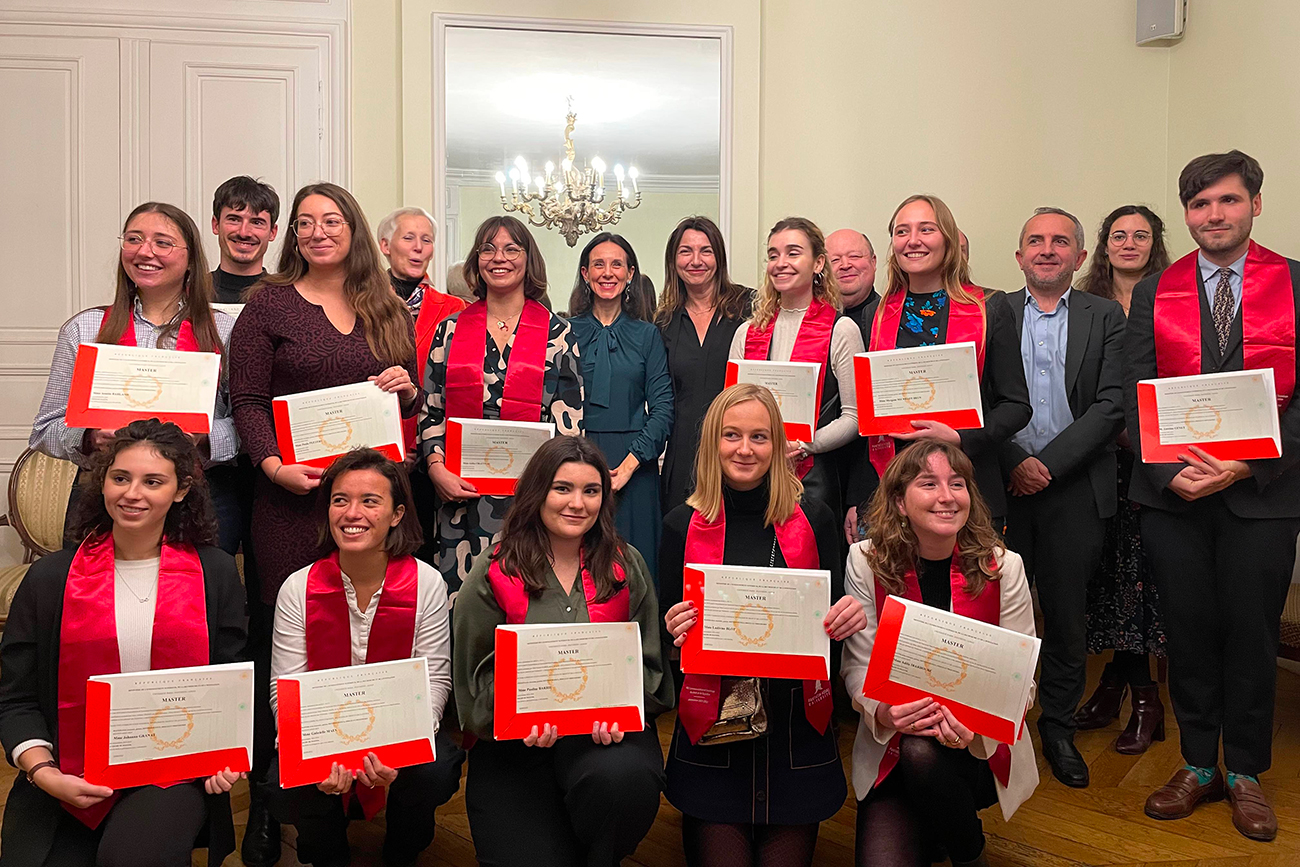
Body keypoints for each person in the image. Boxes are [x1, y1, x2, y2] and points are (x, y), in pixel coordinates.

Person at [228, 182, 420, 861]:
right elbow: (246, 397)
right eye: (305, 223)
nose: (316, 231)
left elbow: (412, 403)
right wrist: (274, 465)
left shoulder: (387, 304)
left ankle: (375, 780)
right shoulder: (269, 304)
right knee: (292, 647)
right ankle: (281, 803)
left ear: (353, 229)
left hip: (372, 503)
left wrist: (407, 390)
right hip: (291, 501)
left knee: (380, 634)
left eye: (330, 219)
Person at [1124, 151, 1300, 842]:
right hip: (1176, 496)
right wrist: (1171, 473)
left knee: (1252, 633)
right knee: (1189, 630)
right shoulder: (1155, 290)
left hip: (1264, 492)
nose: (1214, 215)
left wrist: (1244, 465)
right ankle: (1198, 762)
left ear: (1255, 203)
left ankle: (1247, 769)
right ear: (1188, 214)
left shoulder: (1294, 283)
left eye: (1227, 201)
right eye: (1200, 205)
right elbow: (1136, 391)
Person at [0, 420, 247, 867]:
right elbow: (15, 698)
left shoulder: (216, 573)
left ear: (181, 489)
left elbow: (231, 691)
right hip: (65, 768)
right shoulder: (51, 578)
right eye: (121, 478)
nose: (133, 493)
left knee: (130, 857)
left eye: (153, 481)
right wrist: (43, 772)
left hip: (172, 772)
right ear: (102, 483)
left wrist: (227, 753)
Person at [660, 383, 866, 867]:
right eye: (732, 435)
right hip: (714, 736)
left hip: (796, 734)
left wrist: (847, 616)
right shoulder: (679, 526)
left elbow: (830, 625)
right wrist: (673, 632)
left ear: (779, 445)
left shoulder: (816, 519)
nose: (745, 449)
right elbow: (671, 649)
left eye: (759, 436)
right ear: (713, 443)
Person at [452, 436, 671, 867]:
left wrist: (621, 710)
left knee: (625, 783)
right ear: (537, 492)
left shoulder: (626, 565)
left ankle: (601, 849)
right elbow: (473, 675)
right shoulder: (496, 566)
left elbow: (649, 665)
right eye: (562, 488)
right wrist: (521, 709)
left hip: (605, 740)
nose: (578, 503)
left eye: (591, 491)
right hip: (516, 746)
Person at [842, 439, 1038, 867]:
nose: (947, 497)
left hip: (978, 750)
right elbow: (858, 664)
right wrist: (884, 713)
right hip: (893, 745)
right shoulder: (864, 561)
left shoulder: (1004, 567)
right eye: (928, 484)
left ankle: (969, 852)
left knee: (924, 754)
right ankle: (940, 828)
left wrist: (979, 726)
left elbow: (1022, 681)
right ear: (898, 501)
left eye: (958, 484)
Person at [267, 448, 463, 867]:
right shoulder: (297, 588)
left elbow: (434, 681)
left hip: (398, 727)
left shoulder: (426, 584)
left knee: (436, 767)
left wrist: (401, 748)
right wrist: (315, 753)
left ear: (396, 514)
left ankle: (402, 850)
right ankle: (327, 854)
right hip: (324, 730)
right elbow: (285, 688)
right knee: (284, 783)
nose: (351, 513)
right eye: (340, 500)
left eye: (370, 501)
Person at [995, 208, 1126, 787]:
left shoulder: (1106, 317)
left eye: (1060, 242)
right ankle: (997, 719)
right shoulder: (991, 311)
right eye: (1035, 241)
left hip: (1074, 489)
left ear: (1078, 256)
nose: (1047, 250)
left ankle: (1058, 725)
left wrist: (1043, 466)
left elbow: (1112, 404)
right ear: (1019, 255)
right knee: (996, 612)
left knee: (1068, 618)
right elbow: (971, 398)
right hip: (1000, 487)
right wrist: (1013, 462)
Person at [28, 202, 242, 551]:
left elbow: (248, 424)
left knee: (198, 600)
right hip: (107, 495)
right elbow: (44, 429)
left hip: (202, 494)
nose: (145, 252)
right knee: (99, 600)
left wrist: (202, 436)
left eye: (162, 242)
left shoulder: (225, 330)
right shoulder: (84, 329)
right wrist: (90, 437)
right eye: (134, 239)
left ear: (191, 258)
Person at [418, 216, 584, 597]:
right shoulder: (451, 329)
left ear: (529, 259)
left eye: (512, 249)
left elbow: (570, 422)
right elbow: (432, 408)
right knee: (464, 603)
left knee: (528, 600)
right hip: (461, 496)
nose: (499, 258)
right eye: (488, 249)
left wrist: (550, 486)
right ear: (476, 260)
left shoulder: (558, 333)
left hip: (535, 496)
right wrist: (436, 468)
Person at [861, 195, 1031, 532]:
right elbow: (867, 416)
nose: (913, 241)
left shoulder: (989, 308)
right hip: (894, 486)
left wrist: (961, 436)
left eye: (927, 229)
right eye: (901, 231)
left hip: (970, 485)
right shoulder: (875, 315)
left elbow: (1016, 406)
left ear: (948, 240)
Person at [1075, 205, 1172, 755]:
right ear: (1103, 247)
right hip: (1096, 460)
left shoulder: (1175, 298)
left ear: (1155, 243)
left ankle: (1141, 695)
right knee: (1107, 577)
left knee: (1142, 581)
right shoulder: (1085, 305)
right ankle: (1118, 681)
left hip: (1156, 462)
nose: (1129, 244)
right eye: (1118, 236)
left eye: (1140, 235)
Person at [729, 217, 864, 525]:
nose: (780, 263)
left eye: (792, 253)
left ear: (818, 263)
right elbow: (731, 411)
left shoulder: (840, 330)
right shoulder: (747, 332)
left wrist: (804, 444)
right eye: (773, 255)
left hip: (813, 479)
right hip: (749, 473)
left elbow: (855, 418)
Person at [567, 233, 673, 584]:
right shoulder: (564, 331)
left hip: (635, 467)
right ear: (585, 273)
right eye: (598, 264)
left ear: (630, 274)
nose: (607, 272)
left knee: (635, 571)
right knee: (577, 564)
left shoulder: (648, 335)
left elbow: (662, 409)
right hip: (577, 460)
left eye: (617, 265)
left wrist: (628, 466)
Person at [376, 206, 467, 565]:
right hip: (375, 451)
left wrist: (427, 450)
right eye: (408, 238)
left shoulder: (455, 310)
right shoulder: (356, 304)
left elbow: (455, 389)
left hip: (433, 457)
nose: (418, 247)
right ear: (385, 245)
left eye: (426, 239)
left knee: (425, 556)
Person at [656, 216, 754, 514]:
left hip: (738, 449)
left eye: (706, 251)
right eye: (686, 251)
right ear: (673, 261)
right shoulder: (663, 321)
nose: (696, 261)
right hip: (682, 452)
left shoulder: (749, 307)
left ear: (719, 258)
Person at [827, 228, 882, 541]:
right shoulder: (811, 323)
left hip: (871, 479)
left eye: (855, 256)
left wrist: (861, 496)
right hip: (816, 474)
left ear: (873, 263)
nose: (845, 265)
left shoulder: (894, 321)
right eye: (836, 259)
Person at [210, 175, 280, 304]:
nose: (244, 232)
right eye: (234, 219)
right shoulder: (189, 293)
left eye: (257, 222)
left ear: (272, 232)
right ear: (216, 225)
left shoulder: (286, 299)